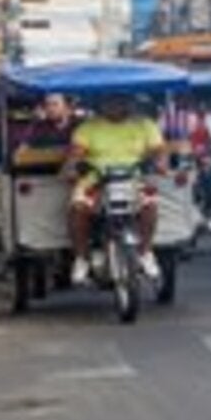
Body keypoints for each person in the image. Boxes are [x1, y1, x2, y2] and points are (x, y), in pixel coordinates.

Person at [66, 95, 167, 285]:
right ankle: (82, 259)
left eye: (121, 100)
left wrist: (161, 162)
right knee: (77, 208)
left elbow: (159, 150)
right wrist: (72, 166)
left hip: (133, 180)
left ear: (130, 103)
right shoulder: (88, 128)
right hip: (96, 182)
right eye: (110, 101)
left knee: (150, 205)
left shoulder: (145, 125)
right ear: (101, 105)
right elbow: (75, 153)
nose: (115, 105)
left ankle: (145, 252)